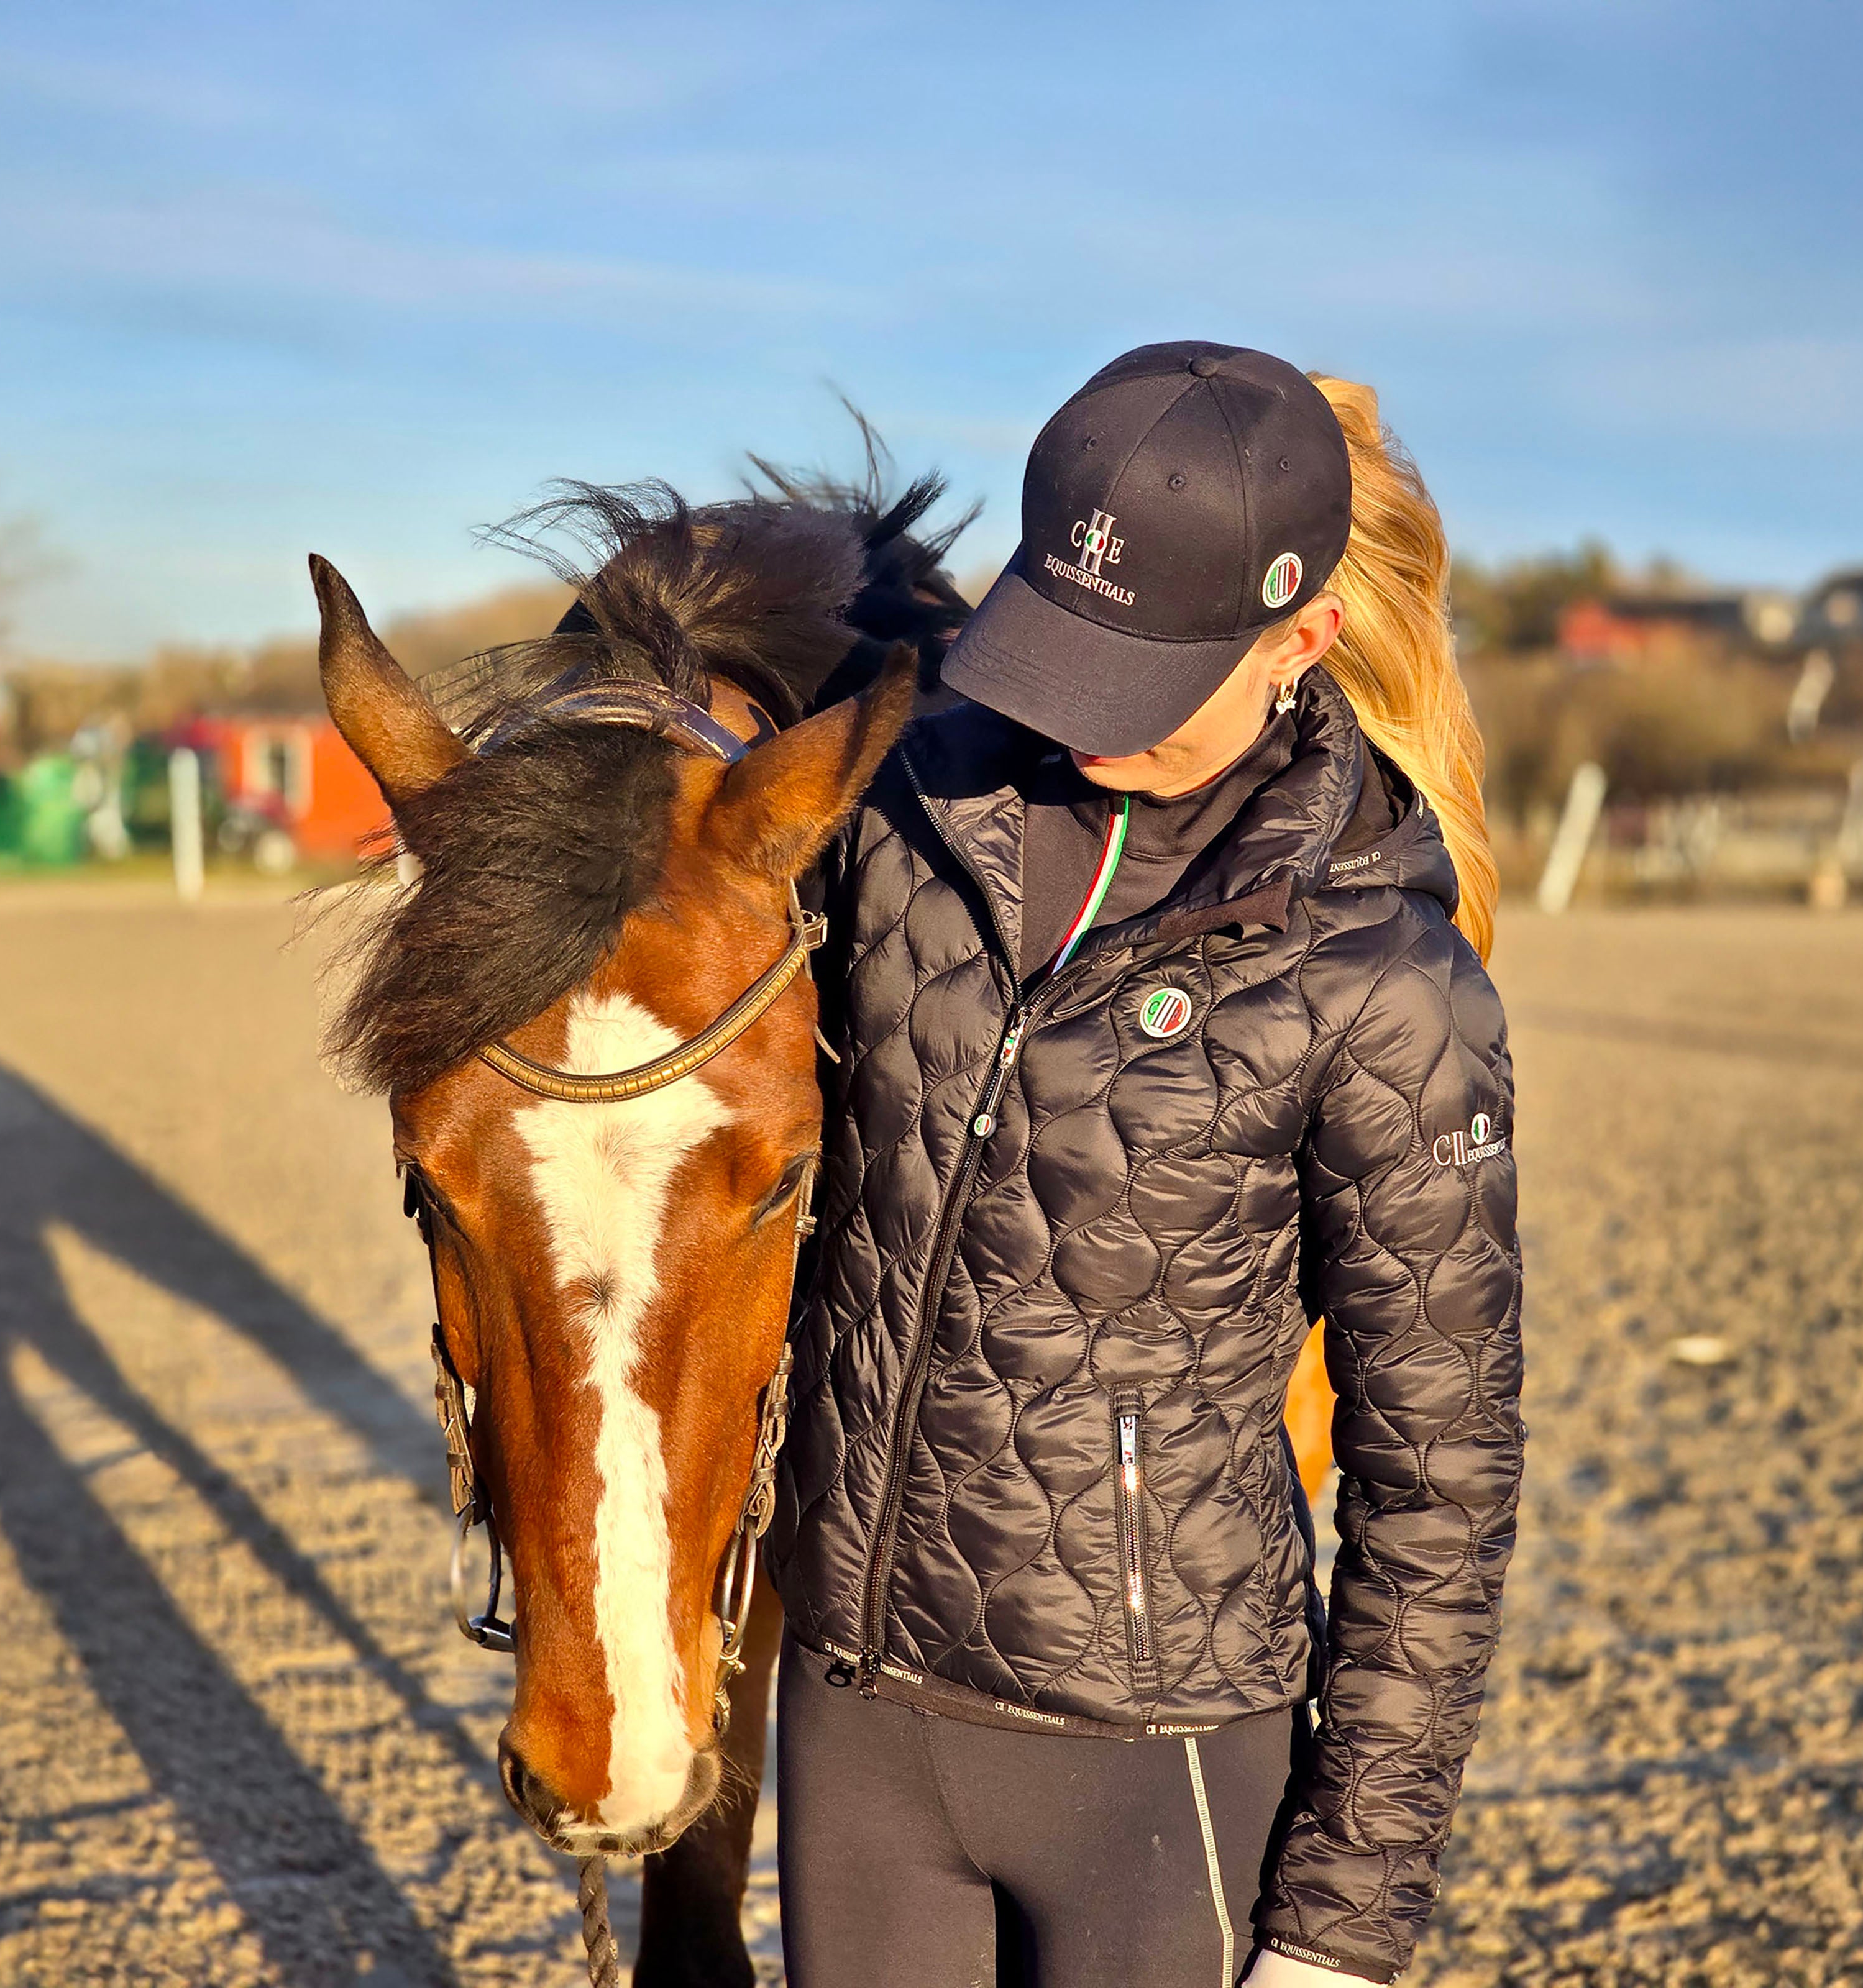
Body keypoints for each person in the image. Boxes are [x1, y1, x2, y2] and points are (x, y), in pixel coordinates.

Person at [766, 342, 1524, 1987]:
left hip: (1154, 1762)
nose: (1075, 713)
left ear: (1302, 636)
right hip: (852, 1721)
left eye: (1143, 671)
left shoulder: (1385, 984)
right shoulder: (898, 811)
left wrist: (1343, 1924)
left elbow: (1441, 1480)